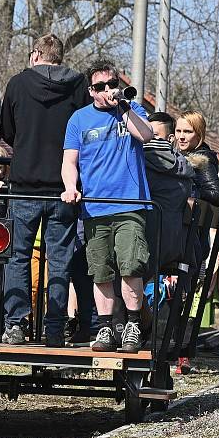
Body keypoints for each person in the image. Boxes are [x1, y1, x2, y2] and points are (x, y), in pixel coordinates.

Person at [0, 34, 91, 347]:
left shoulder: (18, 84)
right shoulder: (78, 85)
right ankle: (54, 328)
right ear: (60, 56)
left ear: (37, 54)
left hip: (24, 183)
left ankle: (16, 324)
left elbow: (7, 131)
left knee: (18, 257)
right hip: (64, 187)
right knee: (60, 260)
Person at [61, 60, 155, 353]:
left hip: (129, 207)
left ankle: (133, 325)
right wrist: (70, 187)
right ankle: (104, 327)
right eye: (100, 86)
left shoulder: (132, 110)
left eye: (112, 84)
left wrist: (123, 107)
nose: (107, 90)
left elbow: (147, 135)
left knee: (131, 268)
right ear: (91, 90)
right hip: (95, 209)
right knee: (101, 272)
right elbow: (69, 161)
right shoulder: (78, 119)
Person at [175, 112, 219, 208]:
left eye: (187, 132)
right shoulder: (182, 154)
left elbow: (217, 196)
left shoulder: (202, 159)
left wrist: (187, 190)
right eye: (178, 131)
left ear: (199, 134)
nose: (181, 137)